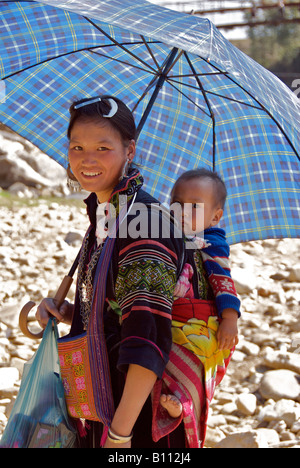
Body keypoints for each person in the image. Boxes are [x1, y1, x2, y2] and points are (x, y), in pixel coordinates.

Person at [36, 95, 185, 448]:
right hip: (100, 400)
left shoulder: (146, 223)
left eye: (103, 148)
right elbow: (116, 311)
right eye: (77, 147)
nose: (87, 159)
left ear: (129, 150)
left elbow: (148, 335)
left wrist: (119, 435)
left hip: (135, 418)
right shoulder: (107, 215)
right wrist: (72, 313)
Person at [151, 168, 240, 448]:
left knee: (195, 375)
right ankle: (172, 406)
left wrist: (229, 317)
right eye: (176, 202)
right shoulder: (167, 235)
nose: (181, 211)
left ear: (215, 216)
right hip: (174, 321)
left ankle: (186, 406)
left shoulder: (212, 242)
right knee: (161, 368)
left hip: (201, 325)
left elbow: (223, 279)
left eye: (193, 206)